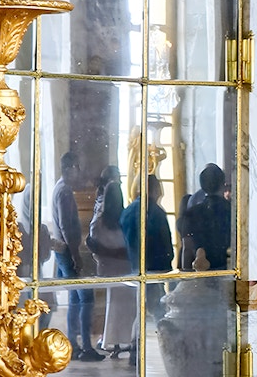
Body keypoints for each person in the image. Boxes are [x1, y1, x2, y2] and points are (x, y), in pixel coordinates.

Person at [50, 152, 104, 362]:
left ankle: (73, 343)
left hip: (63, 251)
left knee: (74, 298)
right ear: (70, 167)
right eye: (77, 168)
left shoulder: (60, 188)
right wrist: (75, 255)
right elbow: (65, 225)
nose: (79, 172)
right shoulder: (64, 192)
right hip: (67, 251)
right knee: (85, 298)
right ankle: (85, 347)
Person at [121, 175, 173, 366]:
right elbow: (164, 242)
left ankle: (135, 349)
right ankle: (169, 346)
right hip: (152, 267)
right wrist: (167, 265)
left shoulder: (128, 211)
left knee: (139, 311)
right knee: (158, 309)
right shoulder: (155, 212)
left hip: (133, 268)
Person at [88, 180, 134, 357]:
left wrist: (105, 253)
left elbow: (94, 240)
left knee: (112, 307)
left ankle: (113, 343)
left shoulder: (100, 221)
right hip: (125, 266)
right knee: (128, 309)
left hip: (108, 267)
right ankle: (129, 340)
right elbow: (129, 243)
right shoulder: (124, 218)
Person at [178, 164, 232, 271]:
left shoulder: (192, 213)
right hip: (227, 272)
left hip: (199, 276)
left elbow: (187, 249)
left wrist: (186, 277)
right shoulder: (232, 211)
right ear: (223, 184)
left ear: (202, 186)